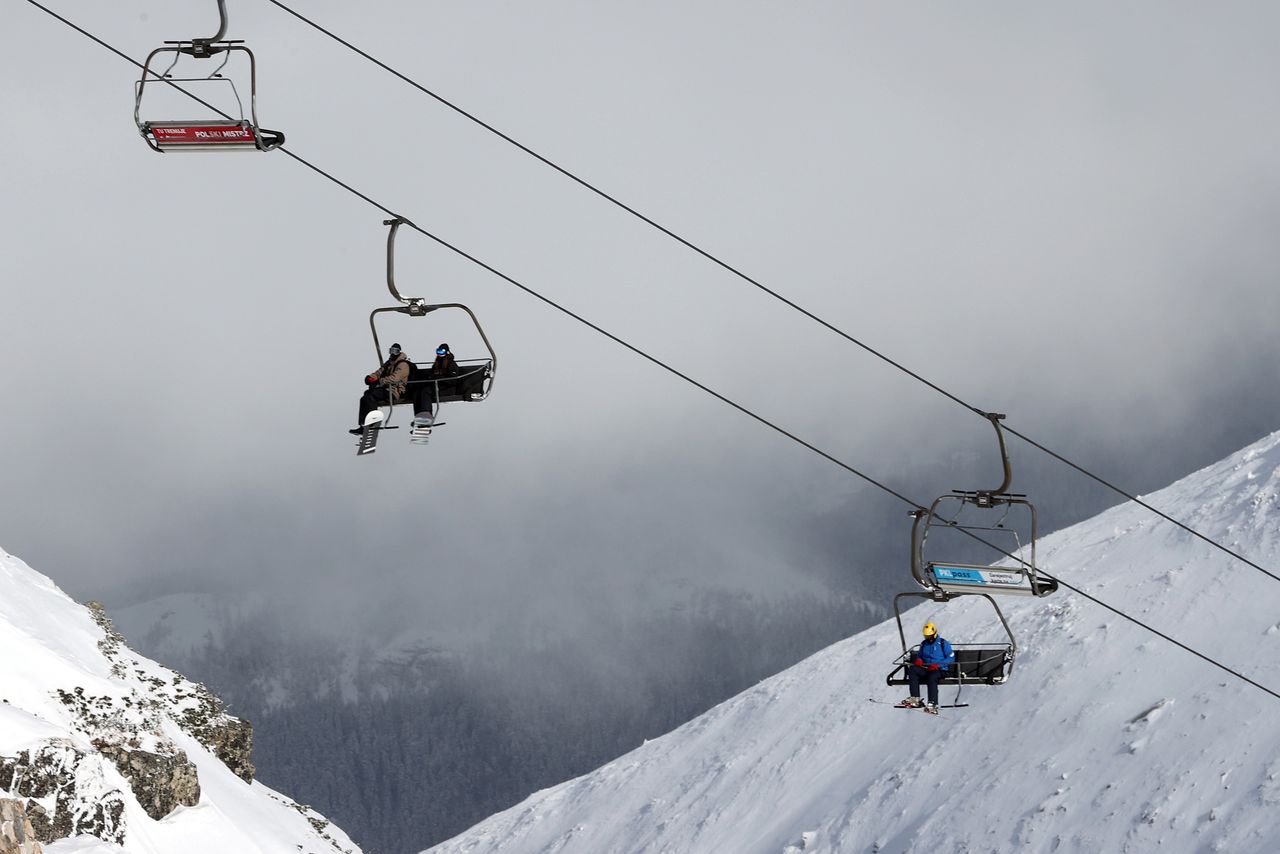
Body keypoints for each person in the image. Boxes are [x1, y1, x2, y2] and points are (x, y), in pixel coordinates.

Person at [352, 343, 411, 433]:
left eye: (395, 351)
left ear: (399, 352)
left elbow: (395, 378)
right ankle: (363, 424)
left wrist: (380, 381)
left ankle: (373, 422)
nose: (393, 353)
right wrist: (370, 378)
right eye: (391, 351)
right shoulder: (389, 363)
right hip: (386, 389)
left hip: (394, 391)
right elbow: (379, 372)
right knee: (364, 397)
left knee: (370, 396)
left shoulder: (403, 365)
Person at [899, 621, 955, 714]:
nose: (927, 638)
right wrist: (919, 660)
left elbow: (951, 658)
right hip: (927, 669)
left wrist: (938, 665)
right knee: (913, 670)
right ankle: (915, 699)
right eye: (925, 636)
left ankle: (932, 704)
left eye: (929, 636)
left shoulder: (943, 643)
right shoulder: (924, 644)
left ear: (934, 634)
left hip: (940, 670)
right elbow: (920, 655)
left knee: (932, 677)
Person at [413, 343, 458, 425]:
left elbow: (453, 380)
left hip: (448, 388)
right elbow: (432, 374)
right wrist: (430, 377)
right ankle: (419, 416)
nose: (440, 354)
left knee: (426, 391)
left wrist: (437, 378)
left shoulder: (451, 364)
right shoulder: (437, 363)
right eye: (438, 351)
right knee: (418, 391)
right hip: (437, 386)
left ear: (447, 352)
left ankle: (426, 416)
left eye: (442, 352)